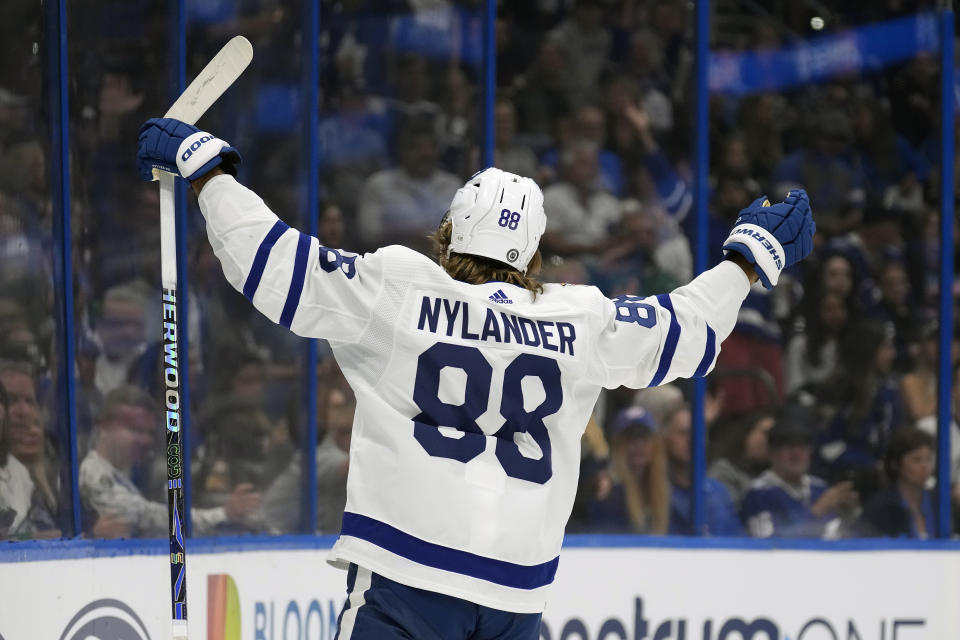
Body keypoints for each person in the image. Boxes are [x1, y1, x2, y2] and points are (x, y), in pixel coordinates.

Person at [136, 117, 814, 639]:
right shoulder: (576, 314)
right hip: (514, 604)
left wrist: (207, 170)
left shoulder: (401, 286)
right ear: (534, 254)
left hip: (402, 586)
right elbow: (684, 333)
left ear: (449, 230)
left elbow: (270, 263)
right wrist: (749, 260)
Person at [79, 385, 262, 537]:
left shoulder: (127, 472)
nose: (145, 441)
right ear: (103, 426)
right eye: (134, 430)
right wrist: (221, 514)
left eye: (149, 433)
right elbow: (144, 517)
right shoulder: (93, 473)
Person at [742, 421, 859, 539]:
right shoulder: (759, 494)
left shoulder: (820, 487)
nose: (797, 453)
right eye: (788, 446)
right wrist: (817, 511)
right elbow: (767, 543)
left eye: (803, 446)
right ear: (772, 452)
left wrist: (848, 515)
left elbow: (840, 534)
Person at [581, 406, 669, 534]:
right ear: (617, 443)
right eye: (630, 437)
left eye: (644, 436)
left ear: (655, 443)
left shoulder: (668, 491)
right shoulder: (606, 492)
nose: (638, 444)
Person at [855, 428, 935, 538]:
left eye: (928, 459)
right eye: (916, 460)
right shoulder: (878, 508)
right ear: (896, 464)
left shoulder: (939, 502)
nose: (925, 467)